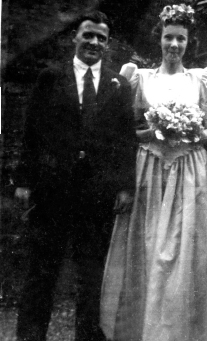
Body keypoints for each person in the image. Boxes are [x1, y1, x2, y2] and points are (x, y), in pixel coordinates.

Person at [99, 4, 207, 341]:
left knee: (186, 250)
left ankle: (182, 331)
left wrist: (190, 132)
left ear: (189, 42)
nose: (174, 45)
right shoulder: (139, 78)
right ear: (160, 39)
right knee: (150, 248)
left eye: (180, 39)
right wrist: (151, 132)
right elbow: (123, 128)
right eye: (169, 37)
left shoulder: (201, 79)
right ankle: (143, 330)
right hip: (150, 171)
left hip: (187, 172)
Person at [13, 11, 137, 341]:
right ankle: (30, 335)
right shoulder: (51, 78)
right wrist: (24, 179)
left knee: (92, 273)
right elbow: (32, 131)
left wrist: (126, 186)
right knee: (42, 271)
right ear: (75, 38)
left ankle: (88, 336)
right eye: (88, 35)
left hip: (97, 194)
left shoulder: (118, 85)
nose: (94, 42)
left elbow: (126, 141)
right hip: (52, 189)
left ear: (107, 44)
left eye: (101, 38)